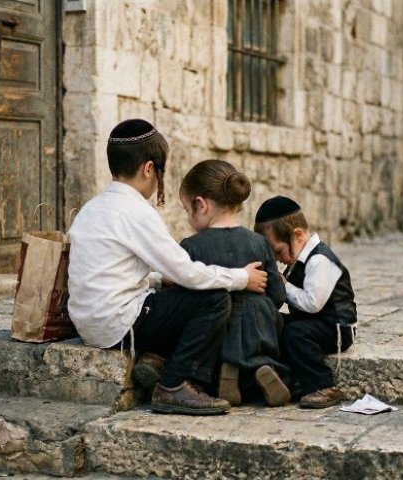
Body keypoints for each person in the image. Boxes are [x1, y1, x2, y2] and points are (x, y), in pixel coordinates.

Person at [67, 119, 268, 416]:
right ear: (149, 169)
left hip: (89, 324)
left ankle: (156, 360)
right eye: (160, 172)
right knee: (214, 299)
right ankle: (174, 384)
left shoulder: (91, 208)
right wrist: (241, 277)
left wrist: (159, 281)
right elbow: (188, 272)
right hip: (120, 326)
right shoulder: (137, 212)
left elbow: (112, 272)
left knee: (177, 292)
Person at [178, 159, 290, 407]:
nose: (188, 217)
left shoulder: (191, 246)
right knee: (272, 322)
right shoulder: (258, 243)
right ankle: (263, 366)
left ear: (200, 204)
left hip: (219, 332)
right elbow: (278, 295)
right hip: (260, 328)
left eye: (187, 210)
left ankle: (226, 372)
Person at [254, 196, 357, 409]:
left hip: (337, 327)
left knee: (296, 334)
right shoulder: (298, 259)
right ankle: (286, 378)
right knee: (275, 322)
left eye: (279, 252)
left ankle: (323, 385)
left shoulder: (320, 260)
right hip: (313, 323)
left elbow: (312, 303)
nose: (278, 259)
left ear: (297, 235)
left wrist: (284, 285)